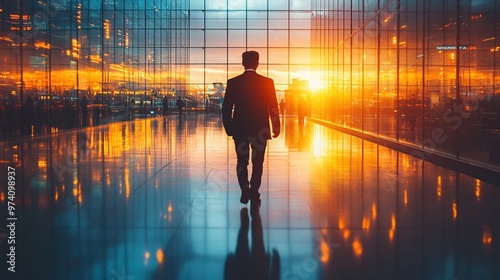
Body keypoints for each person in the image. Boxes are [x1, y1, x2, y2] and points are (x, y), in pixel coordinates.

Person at [222, 50, 280, 204]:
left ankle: (244, 189)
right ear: (257, 63)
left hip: (240, 129)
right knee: (258, 162)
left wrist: (229, 127)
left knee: (242, 161)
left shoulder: (233, 82)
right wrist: (276, 127)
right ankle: (254, 192)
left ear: (243, 63)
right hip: (260, 129)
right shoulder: (267, 82)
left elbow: (226, 108)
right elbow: (273, 107)